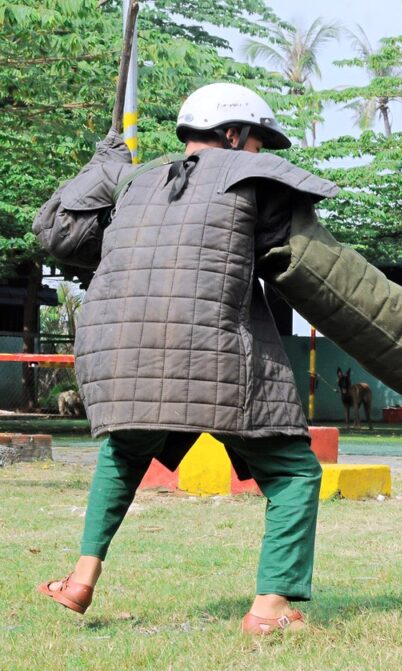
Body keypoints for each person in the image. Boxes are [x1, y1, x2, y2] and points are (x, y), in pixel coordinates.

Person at [32, 83, 338, 636]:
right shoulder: (249, 182)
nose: (262, 154)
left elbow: (57, 232)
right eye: (259, 141)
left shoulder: (133, 182)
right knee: (294, 472)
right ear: (231, 134)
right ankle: (270, 612)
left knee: (125, 452)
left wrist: (101, 169)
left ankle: (79, 580)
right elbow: (314, 270)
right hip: (217, 358)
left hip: (120, 356)